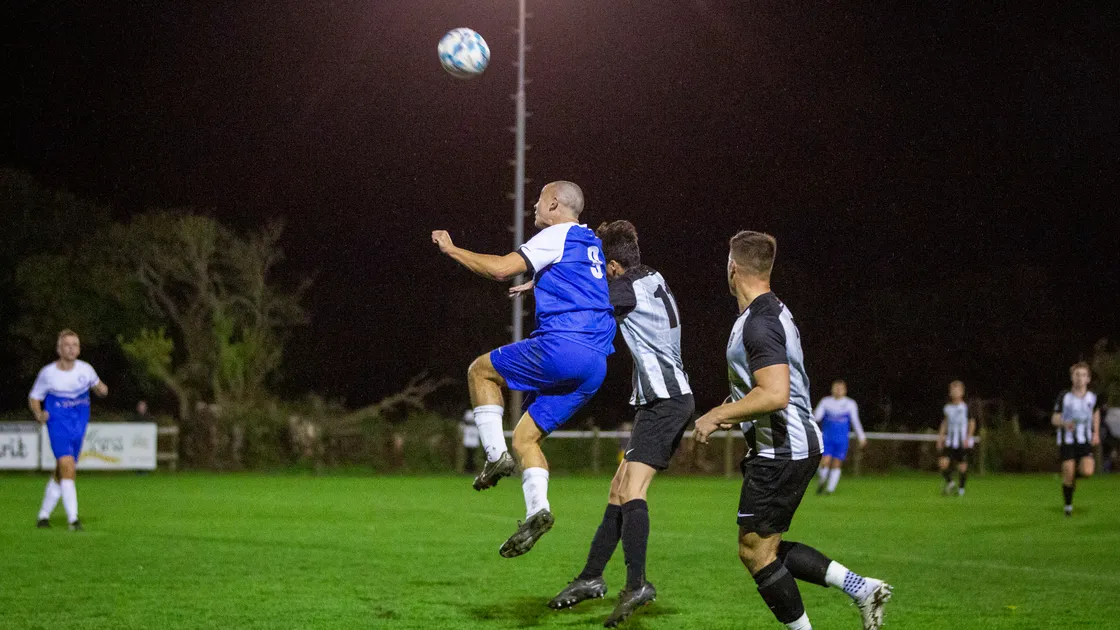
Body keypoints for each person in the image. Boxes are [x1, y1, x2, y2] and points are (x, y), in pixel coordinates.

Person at [694, 231, 890, 630]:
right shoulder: (767, 313)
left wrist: (716, 414)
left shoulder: (760, 322)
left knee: (755, 552)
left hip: (783, 449)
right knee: (763, 547)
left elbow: (776, 393)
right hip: (784, 445)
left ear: (733, 268)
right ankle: (860, 588)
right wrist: (734, 411)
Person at [431, 181, 615, 558]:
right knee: (526, 438)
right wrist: (539, 282)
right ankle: (537, 511)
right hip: (596, 363)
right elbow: (586, 284)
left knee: (480, 371)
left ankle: (494, 455)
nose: (533, 206)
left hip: (564, 346)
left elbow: (500, 269)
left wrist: (451, 250)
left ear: (553, 203)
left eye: (538, 200)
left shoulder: (556, 233)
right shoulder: (589, 240)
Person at [544, 220, 694, 627]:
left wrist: (541, 284)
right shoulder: (649, 278)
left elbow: (589, 300)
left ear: (613, 265)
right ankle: (592, 577)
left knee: (632, 490)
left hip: (666, 401)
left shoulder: (627, 289)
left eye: (602, 265)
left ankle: (637, 583)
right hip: (659, 401)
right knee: (618, 490)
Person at [29, 329, 108, 531]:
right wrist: (39, 414)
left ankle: (43, 516)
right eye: (67, 345)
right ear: (59, 349)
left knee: (62, 470)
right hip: (57, 423)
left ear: (79, 349)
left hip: (78, 424)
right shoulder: (48, 373)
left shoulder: (85, 370)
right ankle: (73, 520)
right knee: (67, 467)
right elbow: (35, 397)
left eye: (75, 345)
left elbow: (100, 387)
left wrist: (101, 390)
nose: (71, 348)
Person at [1052, 362, 1101, 516]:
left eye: (1083, 375)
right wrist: (1065, 423)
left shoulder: (1092, 397)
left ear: (1088, 379)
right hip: (1067, 441)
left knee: (1087, 471)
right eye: (1077, 375)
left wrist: (1096, 433)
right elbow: (1054, 418)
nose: (1080, 378)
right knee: (1068, 473)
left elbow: (1096, 413)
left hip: (1084, 440)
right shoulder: (1064, 396)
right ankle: (1068, 507)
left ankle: (1073, 476)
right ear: (1072, 378)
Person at [812, 379, 866, 495]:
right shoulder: (826, 402)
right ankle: (822, 480)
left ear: (845, 390)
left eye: (841, 388)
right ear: (832, 389)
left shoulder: (850, 404)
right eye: (836, 388)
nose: (838, 390)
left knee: (837, 463)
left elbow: (855, 421)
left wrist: (861, 436)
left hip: (841, 439)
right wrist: (812, 413)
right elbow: (817, 417)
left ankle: (829, 489)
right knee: (824, 461)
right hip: (827, 437)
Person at [936, 381, 975, 496]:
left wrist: (968, 437)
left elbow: (972, 423)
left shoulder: (966, 407)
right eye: (952, 390)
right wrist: (940, 438)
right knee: (943, 463)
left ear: (962, 392)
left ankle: (961, 489)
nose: (954, 392)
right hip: (950, 442)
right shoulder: (947, 407)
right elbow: (945, 423)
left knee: (962, 466)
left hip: (962, 441)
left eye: (957, 390)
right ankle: (951, 483)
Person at [460, 408, 481, 473]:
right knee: (468, 455)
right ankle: (467, 469)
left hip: (474, 439)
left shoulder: (477, 413)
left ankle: (473, 468)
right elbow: (463, 424)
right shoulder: (468, 413)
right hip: (468, 439)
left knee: (473, 455)